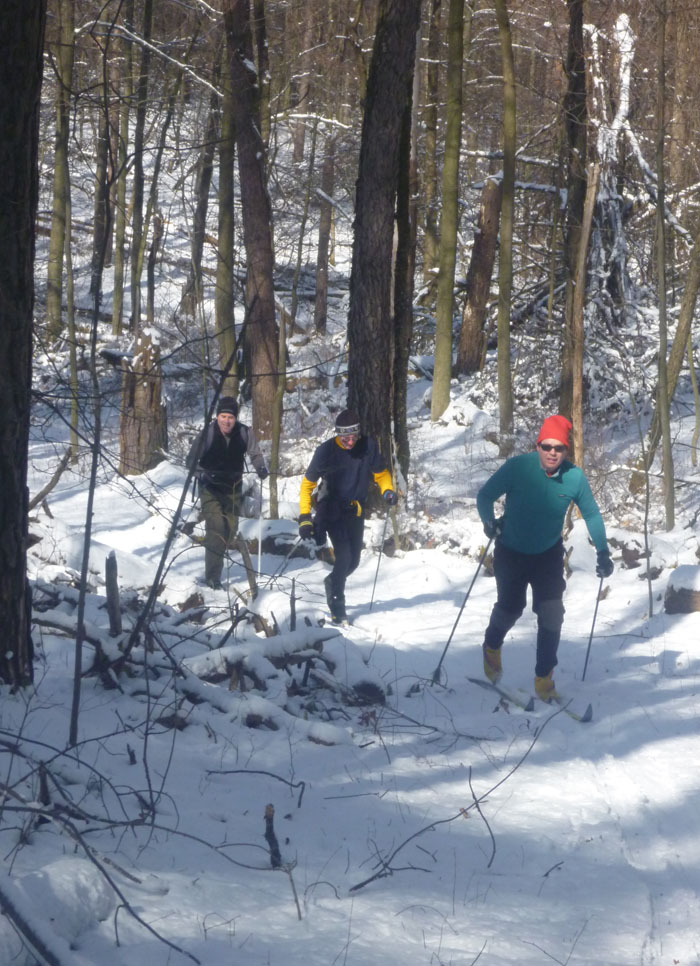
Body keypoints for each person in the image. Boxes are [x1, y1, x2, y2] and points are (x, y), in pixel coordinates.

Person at [476, 414, 613, 699]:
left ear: (566, 450)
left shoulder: (574, 477)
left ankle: (544, 679)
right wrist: (489, 523)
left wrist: (602, 551)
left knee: (552, 614)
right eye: (546, 446)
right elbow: (485, 495)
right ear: (538, 445)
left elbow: (591, 514)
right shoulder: (518, 468)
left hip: (547, 555)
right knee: (511, 607)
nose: (552, 452)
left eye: (559, 448)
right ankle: (491, 646)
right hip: (511, 552)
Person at [298, 409, 397, 624]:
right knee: (343, 556)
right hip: (331, 509)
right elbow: (307, 485)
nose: (350, 442)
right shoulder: (325, 451)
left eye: (353, 436)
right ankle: (337, 605)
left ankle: (332, 582)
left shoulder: (367, 446)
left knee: (353, 562)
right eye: (345, 437)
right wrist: (305, 516)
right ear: (337, 434)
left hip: (355, 511)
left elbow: (381, 474)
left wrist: (387, 490)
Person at [188, 396, 268, 589]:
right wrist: (202, 474)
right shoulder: (207, 433)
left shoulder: (244, 432)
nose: (226, 421)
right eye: (223, 416)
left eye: (230, 417)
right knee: (216, 527)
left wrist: (261, 468)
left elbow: (255, 453)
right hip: (210, 488)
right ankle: (212, 577)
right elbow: (190, 461)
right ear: (217, 417)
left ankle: (215, 560)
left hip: (233, 488)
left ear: (235, 418)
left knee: (230, 530)